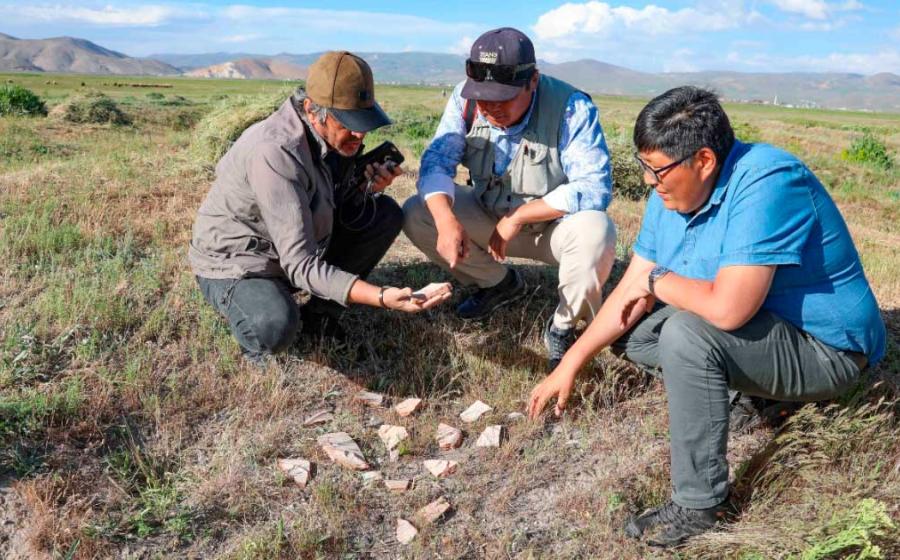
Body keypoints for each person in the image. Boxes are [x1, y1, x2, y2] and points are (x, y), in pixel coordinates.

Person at [526, 86, 886, 547]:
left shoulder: (768, 183)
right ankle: (756, 395)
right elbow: (629, 290)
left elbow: (726, 309)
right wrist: (570, 364)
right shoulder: (670, 194)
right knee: (633, 328)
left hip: (827, 350)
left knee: (686, 334)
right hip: (765, 331)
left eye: (657, 171)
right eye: (644, 168)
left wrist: (656, 282)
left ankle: (699, 505)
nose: (649, 183)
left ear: (704, 161)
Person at [189, 51, 450, 365]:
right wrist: (380, 297)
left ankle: (320, 316)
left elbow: (324, 206)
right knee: (273, 325)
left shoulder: (329, 137)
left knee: (384, 214)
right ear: (312, 109)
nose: (360, 134)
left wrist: (363, 192)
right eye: (350, 123)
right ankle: (256, 339)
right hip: (241, 262)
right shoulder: (275, 152)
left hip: (293, 245)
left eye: (364, 122)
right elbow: (300, 263)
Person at [403, 27, 617, 371]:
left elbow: (594, 187)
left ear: (532, 80)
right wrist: (446, 220)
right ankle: (497, 284)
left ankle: (563, 325)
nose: (490, 108)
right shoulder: (465, 100)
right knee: (419, 211)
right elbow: (436, 163)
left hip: (553, 229)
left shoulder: (570, 107)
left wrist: (518, 217)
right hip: (489, 219)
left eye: (502, 98)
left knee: (597, 231)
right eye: (483, 98)